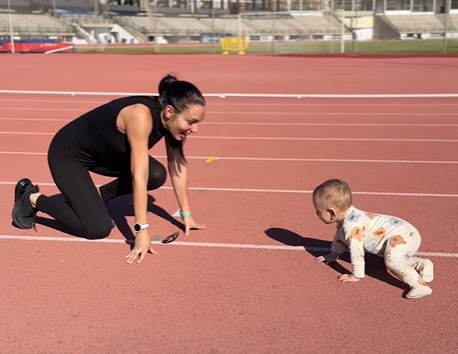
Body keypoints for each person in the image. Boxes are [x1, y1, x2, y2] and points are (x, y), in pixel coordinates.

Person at [11, 74, 206, 264]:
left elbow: (177, 166)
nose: (194, 129)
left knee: (156, 175)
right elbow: (139, 175)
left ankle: (98, 197)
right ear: (169, 112)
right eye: (191, 122)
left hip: (105, 156)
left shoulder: (172, 123)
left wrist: (186, 215)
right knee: (97, 229)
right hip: (68, 155)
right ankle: (31, 199)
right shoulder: (140, 115)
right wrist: (142, 229)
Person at [312, 178, 434, 299]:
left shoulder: (351, 226)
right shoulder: (347, 219)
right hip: (405, 232)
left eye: (318, 212)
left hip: (404, 236)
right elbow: (340, 236)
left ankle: (420, 286)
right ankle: (421, 265)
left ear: (332, 212)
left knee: (392, 261)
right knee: (395, 256)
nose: (317, 214)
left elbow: (357, 252)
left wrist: (356, 275)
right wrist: (334, 254)